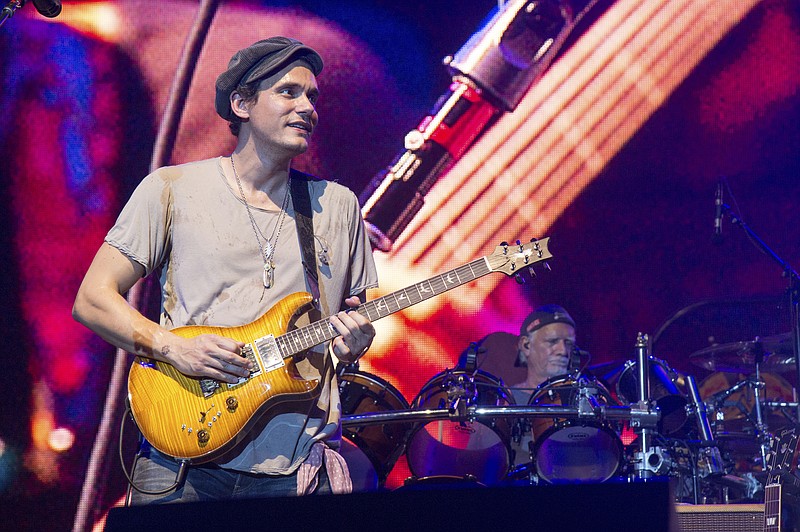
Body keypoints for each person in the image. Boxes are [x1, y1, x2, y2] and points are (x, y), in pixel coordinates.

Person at [72, 36, 379, 503]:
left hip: (293, 466)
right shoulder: (172, 188)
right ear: (241, 104)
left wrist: (356, 341)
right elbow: (93, 298)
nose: (307, 107)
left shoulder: (337, 206)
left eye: (312, 96)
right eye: (288, 92)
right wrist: (173, 348)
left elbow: (358, 315)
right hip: (181, 453)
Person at [508, 305, 577, 469]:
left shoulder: (582, 401)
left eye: (568, 343)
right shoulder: (506, 401)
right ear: (526, 345)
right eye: (552, 342)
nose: (563, 351)